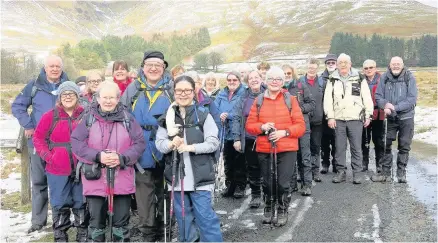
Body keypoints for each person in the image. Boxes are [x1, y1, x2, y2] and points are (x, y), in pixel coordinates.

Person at [71, 81, 146, 242]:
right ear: (98, 98)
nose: (108, 101)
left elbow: (139, 143)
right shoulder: (88, 119)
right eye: (104, 97)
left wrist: (122, 158)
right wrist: (98, 156)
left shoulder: (128, 119)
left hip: (122, 178)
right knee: (96, 224)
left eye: (112, 97)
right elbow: (77, 143)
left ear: (118, 99)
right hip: (95, 178)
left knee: (121, 224)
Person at [155, 75, 223, 242]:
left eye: (187, 90)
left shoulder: (203, 114)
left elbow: (213, 142)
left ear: (194, 92)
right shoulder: (167, 117)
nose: (183, 94)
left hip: (201, 178)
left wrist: (190, 147)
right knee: (184, 221)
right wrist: (172, 144)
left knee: (206, 219)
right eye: (179, 90)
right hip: (177, 179)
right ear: (174, 92)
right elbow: (160, 144)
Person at [12, 55, 69, 233]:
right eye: (51, 66)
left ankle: (61, 221)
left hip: (62, 144)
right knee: (38, 182)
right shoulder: (34, 85)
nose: (54, 69)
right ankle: (38, 222)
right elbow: (17, 106)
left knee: (63, 182)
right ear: (45, 68)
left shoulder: (68, 86)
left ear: (61, 68)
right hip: (38, 142)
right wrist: (28, 125)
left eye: (57, 66)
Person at [120, 50, 173, 242]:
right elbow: (122, 117)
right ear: (143, 67)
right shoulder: (133, 89)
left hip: (166, 147)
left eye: (158, 65)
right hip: (140, 150)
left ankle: (166, 226)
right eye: (149, 65)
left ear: (163, 68)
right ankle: (148, 231)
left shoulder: (171, 89)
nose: (153, 68)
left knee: (166, 190)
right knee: (144, 194)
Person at [246, 66, 305, 226]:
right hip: (265, 148)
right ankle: (268, 206)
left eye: (278, 79)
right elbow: (249, 125)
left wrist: (284, 133)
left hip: (287, 149)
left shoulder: (290, 100)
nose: (274, 82)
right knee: (267, 182)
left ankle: (282, 210)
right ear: (266, 81)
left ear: (283, 82)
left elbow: (301, 126)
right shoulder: (258, 100)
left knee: (283, 183)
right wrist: (262, 127)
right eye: (271, 79)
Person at [33, 81, 88, 242]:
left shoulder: (86, 115)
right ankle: (60, 235)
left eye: (72, 94)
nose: (68, 97)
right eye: (64, 94)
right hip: (57, 169)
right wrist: (49, 157)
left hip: (81, 167)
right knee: (59, 202)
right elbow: (38, 138)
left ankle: (82, 234)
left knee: (81, 203)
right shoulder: (50, 116)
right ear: (59, 97)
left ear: (78, 96)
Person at [323, 53, 373, 184]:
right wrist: (330, 117)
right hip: (338, 119)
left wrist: (368, 115)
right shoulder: (332, 79)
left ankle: (357, 173)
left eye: (346, 62)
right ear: (337, 65)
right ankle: (341, 172)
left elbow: (367, 98)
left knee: (356, 147)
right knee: (339, 147)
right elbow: (328, 100)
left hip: (355, 119)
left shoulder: (359, 78)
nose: (343, 65)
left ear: (350, 64)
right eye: (340, 62)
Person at [372, 56, 417, 183]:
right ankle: (385, 173)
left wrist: (394, 108)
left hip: (406, 117)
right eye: (393, 64)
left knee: (404, 146)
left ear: (402, 65)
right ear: (389, 65)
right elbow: (378, 96)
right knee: (385, 144)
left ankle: (401, 174)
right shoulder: (384, 77)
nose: (396, 66)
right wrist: (385, 105)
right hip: (390, 119)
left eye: (398, 64)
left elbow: (412, 99)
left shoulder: (409, 77)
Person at [231, 70, 265, 208]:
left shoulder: (269, 93)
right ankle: (256, 195)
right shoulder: (243, 97)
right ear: (247, 81)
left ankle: (269, 194)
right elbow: (237, 118)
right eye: (251, 78)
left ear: (261, 79)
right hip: (250, 138)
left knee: (267, 167)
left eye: (256, 77)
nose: (254, 80)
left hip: (266, 138)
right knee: (253, 167)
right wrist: (236, 138)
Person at [214, 71, 246, 198]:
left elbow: (243, 111)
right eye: (229, 80)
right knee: (228, 160)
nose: (232, 82)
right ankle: (229, 186)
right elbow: (214, 109)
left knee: (239, 161)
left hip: (238, 131)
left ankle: (240, 186)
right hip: (225, 132)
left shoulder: (244, 93)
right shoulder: (221, 94)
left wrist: (229, 115)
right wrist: (219, 115)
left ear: (239, 81)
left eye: (234, 80)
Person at [288, 66, 315, 196]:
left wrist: (300, 109)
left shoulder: (301, 86)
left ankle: (307, 184)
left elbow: (312, 104)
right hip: (287, 128)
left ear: (292, 73)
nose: (287, 75)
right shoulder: (279, 90)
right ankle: (292, 185)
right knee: (290, 157)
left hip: (303, 126)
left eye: (289, 73)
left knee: (305, 156)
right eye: (284, 73)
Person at [299, 58, 324, 182]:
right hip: (303, 120)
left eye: (314, 68)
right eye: (310, 67)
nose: (311, 69)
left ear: (317, 68)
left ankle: (315, 171)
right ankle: (302, 172)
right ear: (306, 67)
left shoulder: (322, 82)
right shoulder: (300, 82)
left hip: (318, 119)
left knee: (316, 146)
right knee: (303, 147)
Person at [361, 59, 385, 173]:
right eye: (366, 68)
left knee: (378, 140)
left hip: (378, 114)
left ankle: (379, 164)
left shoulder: (383, 79)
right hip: (364, 114)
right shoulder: (360, 80)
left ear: (375, 68)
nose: (368, 70)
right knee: (364, 140)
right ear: (363, 70)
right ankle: (364, 163)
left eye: (371, 67)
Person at [320, 54, 338, 174]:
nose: (331, 64)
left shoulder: (340, 76)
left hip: (338, 114)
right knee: (324, 142)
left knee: (337, 141)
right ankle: (325, 163)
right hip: (323, 115)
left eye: (333, 62)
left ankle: (337, 164)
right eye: (328, 63)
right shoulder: (321, 78)